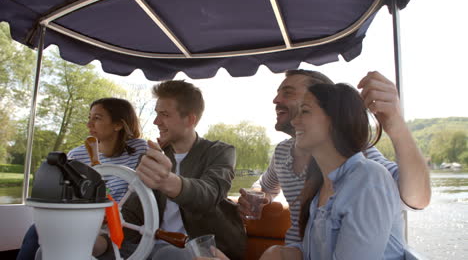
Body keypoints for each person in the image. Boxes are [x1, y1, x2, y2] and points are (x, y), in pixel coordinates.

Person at [238, 70, 431, 245]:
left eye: (288, 92)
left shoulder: (351, 151)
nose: (276, 100)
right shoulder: (281, 153)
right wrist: (258, 197)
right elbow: (265, 188)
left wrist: (395, 123)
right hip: (296, 252)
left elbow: (416, 199)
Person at [93, 80, 246, 260]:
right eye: (157, 114)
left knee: (166, 255)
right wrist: (102, 241)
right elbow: (134, 212)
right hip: (150, 244)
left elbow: (209, 194)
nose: (156, 121)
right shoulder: (151, 157)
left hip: (205, 250)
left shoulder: (220, 152)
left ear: (190, 119)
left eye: (164, 114)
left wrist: (166, 181)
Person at [260, 82, 406, 259]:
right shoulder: (320, 186)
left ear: (336, 119)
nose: (294, 121)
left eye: (304, 111)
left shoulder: (369, 179)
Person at [16, 97, 148, 260]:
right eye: (89, 118)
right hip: (82, 221)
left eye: (97, 118)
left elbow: (144, 196)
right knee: (37, 231)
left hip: (121, 226)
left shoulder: (139, 149)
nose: (89, 125)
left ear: (118, 125)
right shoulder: (76, 155)